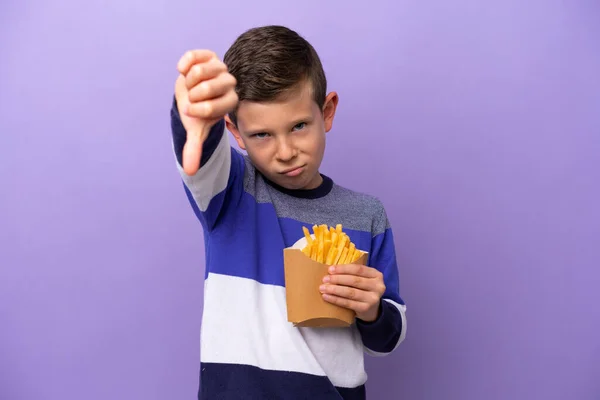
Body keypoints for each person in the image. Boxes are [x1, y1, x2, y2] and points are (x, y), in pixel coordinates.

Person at [169, 25, 407, 400]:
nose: (285, 152)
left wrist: (375, 311)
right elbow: (200, 152)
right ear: (235, 131)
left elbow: (387, 340)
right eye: (262, 135)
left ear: (326, 112)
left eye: (299, 126)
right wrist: (193, 115)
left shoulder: (367, 214)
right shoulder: (230, 191)